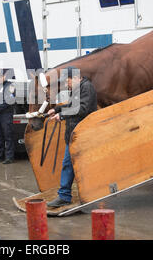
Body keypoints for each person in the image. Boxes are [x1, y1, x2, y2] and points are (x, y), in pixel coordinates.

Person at [46, 66, 97, 208]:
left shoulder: (86, 88)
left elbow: (82, 108)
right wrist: (56, 109)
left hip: (81, 135)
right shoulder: (77, 88)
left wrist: (61, 115)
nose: (66, 84)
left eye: (67, 81)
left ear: (75, 78)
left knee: (70, 164)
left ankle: (66, 195)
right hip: (74, 134)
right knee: (71, 165)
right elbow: (71, 105)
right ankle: (67, 195)